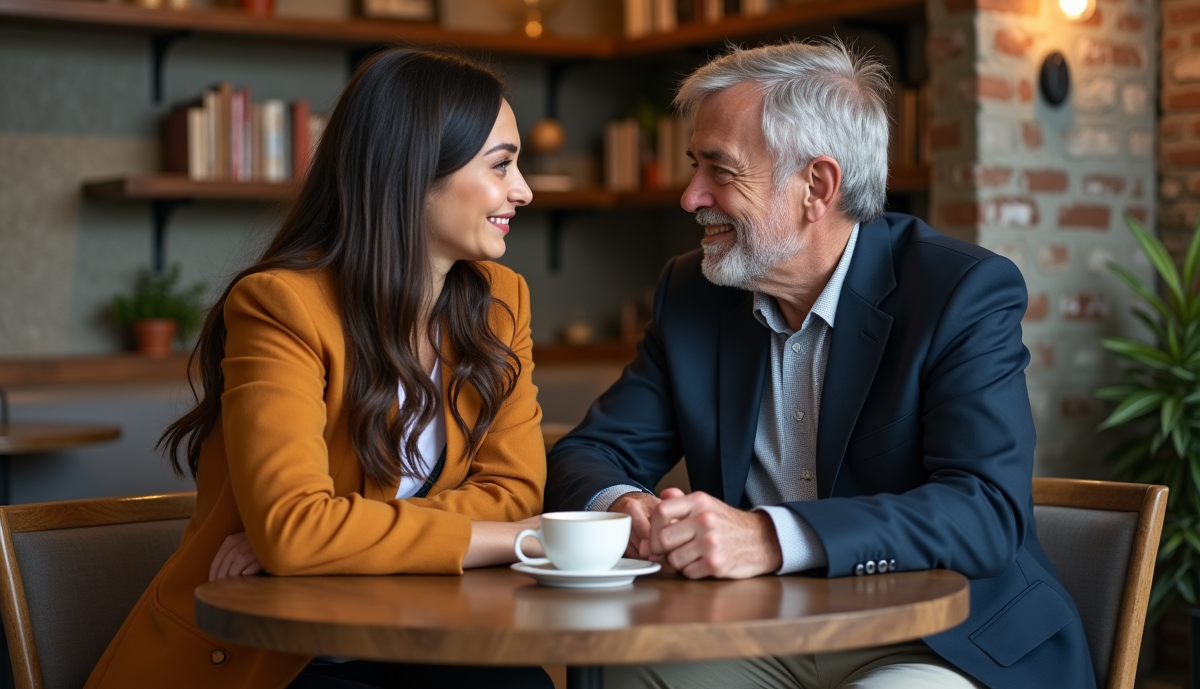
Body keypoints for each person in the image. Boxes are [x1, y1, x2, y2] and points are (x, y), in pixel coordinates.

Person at [545, 40, 1095, 689]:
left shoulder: (960, 291)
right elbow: (588, 454)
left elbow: (986, 510)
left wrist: (770, 537)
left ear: (817, 186)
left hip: (941, 635)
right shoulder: (692, 294)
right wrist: (628, 506)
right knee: (620, 668)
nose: (691, 197)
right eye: (695, 167)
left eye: (720, 170)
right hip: (761, 629)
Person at [86, 49, 553, 689]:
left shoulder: (503, 302)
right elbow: (295, 531)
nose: (524, 190)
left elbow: (516, 494)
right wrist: (520, 539)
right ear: (412, 170)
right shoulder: (281, 305)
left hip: (421, 637)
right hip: (276, 659)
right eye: (501, 165)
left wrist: (334, 540)